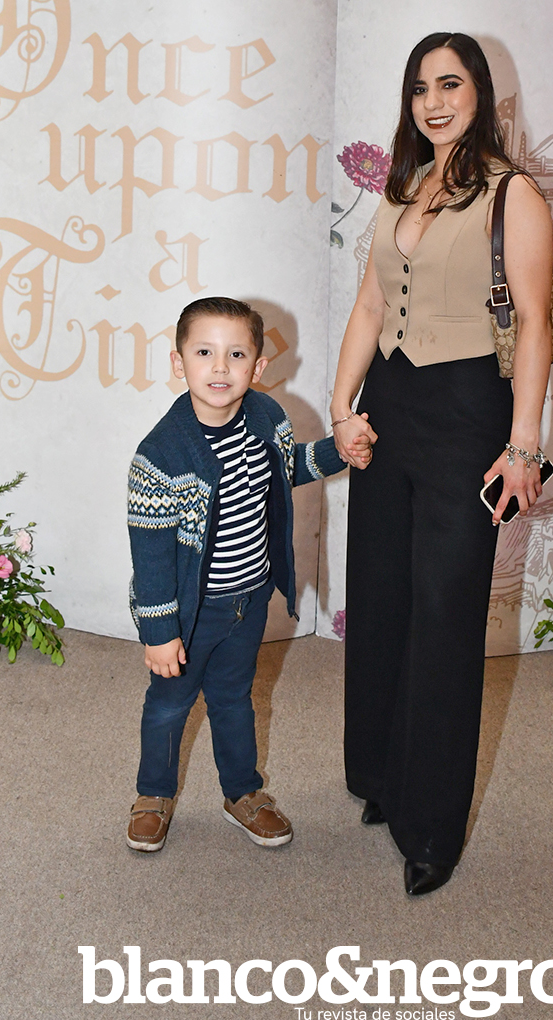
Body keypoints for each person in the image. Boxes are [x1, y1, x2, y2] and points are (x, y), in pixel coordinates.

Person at [330, 32, 553, 896]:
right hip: (390, 407)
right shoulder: (403, 186)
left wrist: (523, 444)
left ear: (480, 93)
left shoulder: (513, 193)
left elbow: (533, 323)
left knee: (445, 612)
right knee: (381, 595)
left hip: (467, 412)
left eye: (450, 84)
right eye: (420, 87)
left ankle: (431, 830)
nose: (434, 102)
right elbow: (370, 302)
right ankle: (381, 776)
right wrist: (344, 406)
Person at [125, 295, 371, 855]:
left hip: (249, 597)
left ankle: (242, 792)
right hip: (190, 612)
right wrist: (160, 632)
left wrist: (339, 452)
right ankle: (153, 794)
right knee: (169, 704)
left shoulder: (266, 417)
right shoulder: (161, 455)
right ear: (178, 362)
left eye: (235, 354)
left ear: (257, 367)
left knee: (235, 698)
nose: (220, 367)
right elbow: (151, 555)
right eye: (204, 353)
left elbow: (288, 469)